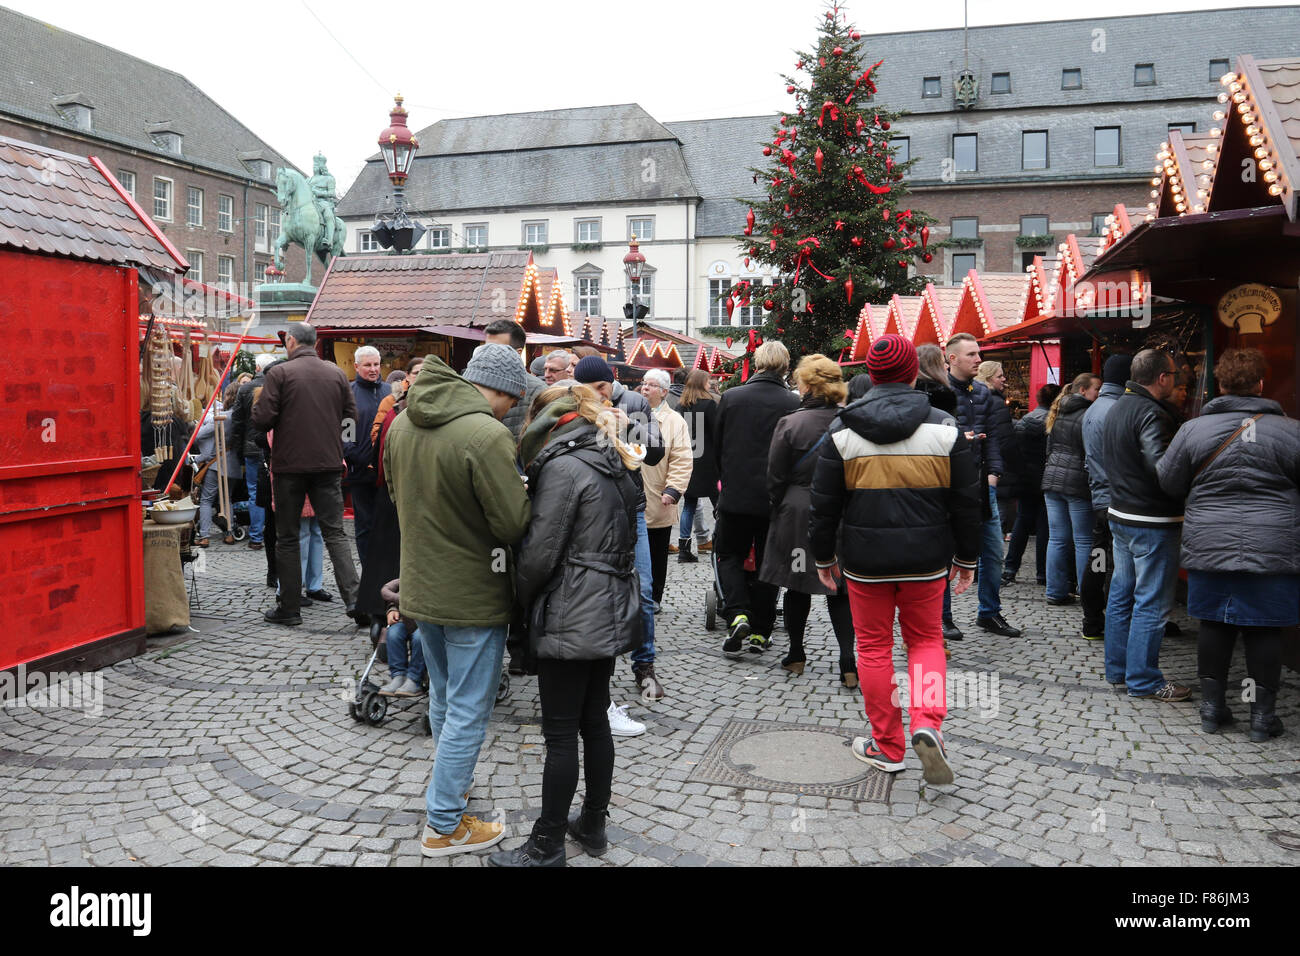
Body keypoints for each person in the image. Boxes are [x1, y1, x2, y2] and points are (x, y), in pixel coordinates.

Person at [810, 335, 981, 783]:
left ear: (872, 374)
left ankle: (886, 744)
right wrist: (968, 556)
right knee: (925, 642)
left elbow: (823, 504)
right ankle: (927, 723)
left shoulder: (842, 430)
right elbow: (967, 501)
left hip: (865, 562)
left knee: (872, 647)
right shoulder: (945, 426)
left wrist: (823, 555)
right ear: (912, 372)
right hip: (927, 559)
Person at [383, 344, 532, 858]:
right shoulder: (485, 434)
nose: (510, 412)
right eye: (511, 401)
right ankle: (444, 824)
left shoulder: (402, 423)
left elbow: (396, 497)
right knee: (469, 709)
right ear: (499, 390)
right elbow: (512, 523)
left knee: (445, 701)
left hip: (423, 586)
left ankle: (453, 791)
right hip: (473, 592)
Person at [488, 384, 645, 866]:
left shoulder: (562, 466)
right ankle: (592, 824)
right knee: (594, 721)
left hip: (571, 608)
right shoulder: (612, 458)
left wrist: (520, 602)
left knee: (560, 733)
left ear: (549, 423)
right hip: (608, 604)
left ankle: (546, 844)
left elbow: (539, 554)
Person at [1158, 348, 1299, 740]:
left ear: (1219, 385)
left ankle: (1212, 709)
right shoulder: (1291, 431)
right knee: (1266, 629)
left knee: (1214, 624)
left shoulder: (1193, 430)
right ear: (1260, 384)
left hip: (1209, 542)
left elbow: (1168, 482)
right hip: (1273, 546)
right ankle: (1262, 718)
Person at [252, 323, 361, 626]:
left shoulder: (280, 373)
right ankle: (355, 600)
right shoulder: (336, 373)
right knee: (335, 533)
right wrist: (336, 443)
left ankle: (290, 607)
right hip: (327, 464)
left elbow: (262, 420)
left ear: (290, 342)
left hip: (289, 467)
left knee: (287, 536)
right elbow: (352, 418)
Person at [573, 355, 667, 699]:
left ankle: (645, 666)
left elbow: (655, 452)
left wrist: (629, 424)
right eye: (590, 391)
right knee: (593, 591)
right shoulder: (578, 403)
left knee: (641, 590)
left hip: (631, 509)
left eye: (601, 388)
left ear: (611, 379)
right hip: (592, 513)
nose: (599, 396)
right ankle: (592, 669)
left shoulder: (635, 402)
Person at [761, 355, 857, 686]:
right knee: (840, 588)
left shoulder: (791, 423)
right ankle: (848, 662)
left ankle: (797, 655)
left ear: (808, 384)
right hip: (842, 511)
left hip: (799, 512)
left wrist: (779, 502)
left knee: (797, 582)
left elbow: (775, 474)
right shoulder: (851, 421)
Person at [1101, 348, 1189, 702]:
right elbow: (1162, 470)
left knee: (1123, 595)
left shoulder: (1118, 406)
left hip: (1122, 515)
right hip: (1151, 520)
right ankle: (1144, 680)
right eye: (1173, 375)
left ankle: (1119, 670)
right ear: (1162, 378)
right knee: (1151, 602)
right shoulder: (1152, 413)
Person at [715, 341, 801, 658]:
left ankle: (737, 613)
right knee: (769, 564)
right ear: (785, 365)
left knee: (729, 556)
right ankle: (762, 632)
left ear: (757, 362)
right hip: (775, 500)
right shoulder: (792, 402)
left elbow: (717, 446)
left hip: (736, 496)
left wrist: (724, 482)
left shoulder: (731, 398)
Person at [944, 333, 1020, 639]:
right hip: (948, 485)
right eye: (972, 354)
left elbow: (993, 441)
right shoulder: (937, 392)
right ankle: (943, 617)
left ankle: (989, 612)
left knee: (992, 550)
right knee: (946, 552)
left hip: (981, 484)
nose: (978, 359)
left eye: (978, 353)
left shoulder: (984, 395)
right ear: (952, 358)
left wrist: (994, 474)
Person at [1080, 354, 1133, 641]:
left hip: (1099, 495)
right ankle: (1114, 624)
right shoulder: (1118, 409)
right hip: (1116, 497)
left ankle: (1092, 620)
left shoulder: (1095, 407)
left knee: (1098, 559)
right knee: (1118, 564)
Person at [1041, 372, 1100, 605]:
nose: (1099, 394)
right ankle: (1087, 595)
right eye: (1097, 389)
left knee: (1057, 539)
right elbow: (1090, 453)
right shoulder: (1088, 415)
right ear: (1083, 390)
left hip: (1052, 481)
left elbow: (1049, 449)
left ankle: (1055, 591)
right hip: (1077, 484)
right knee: (1084, 540)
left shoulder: (1057, 412)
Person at [638, 369, 693, 609]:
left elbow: (682, 459)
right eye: (643, 384)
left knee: (656, 551)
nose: (644, 388)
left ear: (664, 392)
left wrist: (673, 489)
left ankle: (654, 597)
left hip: (658, 495)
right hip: (629, 495)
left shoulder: (674, 421)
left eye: (650, 385)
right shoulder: (630, 414)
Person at [342, 345, 391, 573]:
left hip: (389, 472)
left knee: (388, 526)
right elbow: (346, 439)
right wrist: (364, 461)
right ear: (356, 366)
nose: (373, 369)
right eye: (368, 365)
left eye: (376, 364)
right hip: (361, 473)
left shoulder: (391, 393)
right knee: (364, 527)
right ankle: (369, 572)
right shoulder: (349, 395)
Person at [1003, 384, 1058, 587]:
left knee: (1022, 522)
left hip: (1026, 478)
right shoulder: (1054, 424)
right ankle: (1042, 573)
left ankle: (1010, 567)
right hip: (1046, 479)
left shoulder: (1024, 422)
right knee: (1044, 526)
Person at [225, 351, 276, 550]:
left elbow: (237, 422)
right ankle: (274, 532)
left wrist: (238, 450)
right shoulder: (279, 387)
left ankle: (256, 537)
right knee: (276, 490)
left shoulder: (246, 389)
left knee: (255, 492)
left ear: (257, 368)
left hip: (252, 448)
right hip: (274, 447)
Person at [677, 369, 719, 561]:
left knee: (689, 505)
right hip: (709, 461)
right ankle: (719, 544)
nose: (709, 384)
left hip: (688, 459)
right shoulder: (709, 405)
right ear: (702, 383)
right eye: (708, 381)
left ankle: (684, 548)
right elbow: (718, 433)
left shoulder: (681, 406)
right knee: (718, 503)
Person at [975, 361, 1022, 535]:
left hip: (981, 469)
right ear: (989, 378)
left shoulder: (975, 397)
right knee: (994, 526)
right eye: (999, 376)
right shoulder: (995, 402)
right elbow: (1005, 441)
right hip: (996, 471)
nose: (1004, 379)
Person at [484, 319, 545, 443]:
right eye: (486, 347)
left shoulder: (538, 391)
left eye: (497, 349)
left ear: (518, 353)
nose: (488, 353)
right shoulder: (476, 383)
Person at [193, 399, 231, 548]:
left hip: (217, 463)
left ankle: (204, 536)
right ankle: (229, 533)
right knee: (227, 499)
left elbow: (198, 435)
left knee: (206, 500)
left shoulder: (222, 416)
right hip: (233, 465)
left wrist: (204, 457)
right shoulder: (238, 416)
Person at [379, 578, 426, 697]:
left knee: (419, 638)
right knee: (394, 634)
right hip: (405, 618)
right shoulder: (408, 576)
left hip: (426, 621)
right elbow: (394, 595)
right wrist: (392, 609)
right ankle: (398, 675)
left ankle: (415, 678)